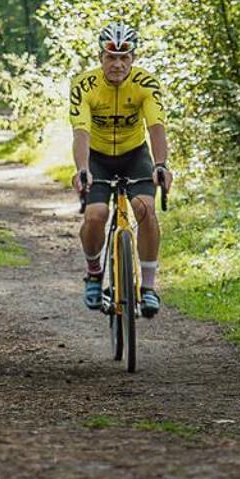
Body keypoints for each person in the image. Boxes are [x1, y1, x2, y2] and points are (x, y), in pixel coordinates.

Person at [69, 20, 172, 317]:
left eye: (123, 57)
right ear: (100, 57)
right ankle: (93, 273)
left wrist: (161, 164)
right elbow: (81, 132)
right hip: (97, 156)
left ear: (133, 58)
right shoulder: (84, 85)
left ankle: (148, 288)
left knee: (145, 209)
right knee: (96, 214)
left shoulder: (145, 84)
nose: (117, 64)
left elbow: (156, 126)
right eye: (110, 57)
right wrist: (82, 169)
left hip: (134, 154)